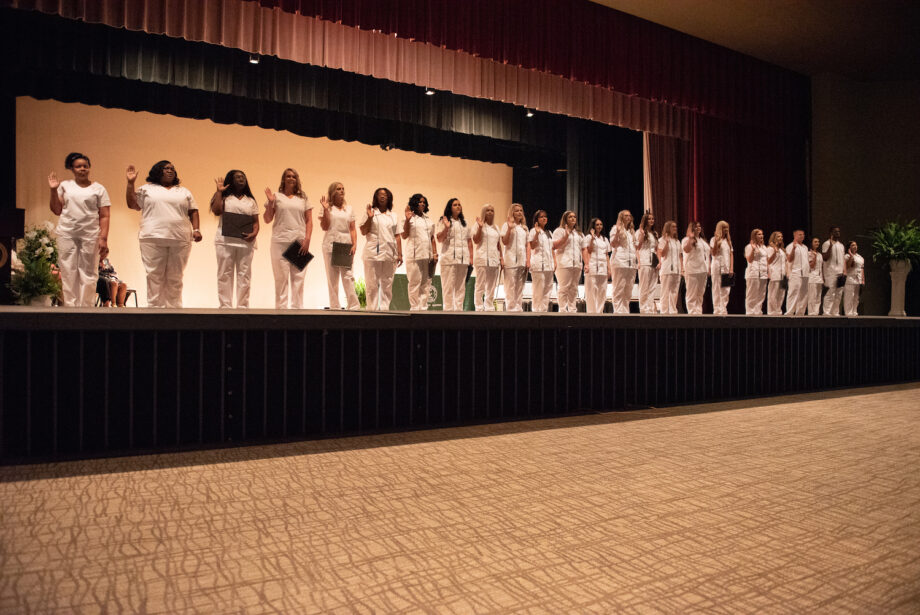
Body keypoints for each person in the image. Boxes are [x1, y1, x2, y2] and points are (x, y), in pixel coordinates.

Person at [126, 160, 202, 308]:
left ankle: (174, 309)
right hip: (152, 237)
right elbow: (132, 204)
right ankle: (155, 309)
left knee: (176, 276)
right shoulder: (146, 189)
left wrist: (196, 229)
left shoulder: (183, 191)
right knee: (154, 275)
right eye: (166, 168)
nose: (170, 171)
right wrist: (130, 184)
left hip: (180, 238)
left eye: (172, 168)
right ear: (157, 171)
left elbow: (193, 211)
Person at [48, 152, 111, 307]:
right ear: (72, 169)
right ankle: (71, 306)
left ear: (89, 168)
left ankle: (86, 307)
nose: (82, 169)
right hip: (67, 233)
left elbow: (104, 215)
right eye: (78, 166)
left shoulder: (99, 188)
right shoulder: (65, 186)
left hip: (90, 234)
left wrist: (103, 238)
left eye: (85, 166)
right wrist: (53, 190)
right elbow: (57, 210)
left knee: (89, 272)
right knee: (68, 271)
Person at [264, 168, 313, 309]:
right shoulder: (276, 196)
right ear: (283, 179)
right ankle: (281, 312)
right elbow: (267, 219)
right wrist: (271, 203)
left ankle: (297, 311)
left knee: (299, 279)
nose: (291, 178)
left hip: (298, 242)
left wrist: (307, 239)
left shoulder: (303, 198)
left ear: (297, 180)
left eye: (293, 176)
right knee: (281, 279)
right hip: (279, 241)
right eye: (288, 176)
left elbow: (309, 220)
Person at [210, 169, 259, 308]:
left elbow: (256, 222)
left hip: (245, 242)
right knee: (225, 274)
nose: (241, 179)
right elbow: (216, 211)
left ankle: (243, 307)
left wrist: (254, 233)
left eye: (243, 176)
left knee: (245, 275)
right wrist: (219, 192)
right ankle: (225, 307)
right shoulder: (224, 197)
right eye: (237, 177)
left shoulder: (250, 200)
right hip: (225, 241)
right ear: (230, 180)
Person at [319, 181, 360, 310]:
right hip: (331, 245)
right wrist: (325, 210)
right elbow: (324, 226)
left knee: (348, 276)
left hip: (345, 246)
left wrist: (354, 244)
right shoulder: (327, 208)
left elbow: (352, 228)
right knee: (332, 279)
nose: (342, 191)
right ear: (332, 192)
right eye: (338, 189)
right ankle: (335, 307)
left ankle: (354, 306)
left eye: (343, 188)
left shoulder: (349, 209)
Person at [359, 187, 400, 311]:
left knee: (387, 284)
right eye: (380, 195)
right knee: (372, 284)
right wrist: (370, 217)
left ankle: (384, 310)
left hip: (389, 254)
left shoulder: (393, 215)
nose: (382, 196)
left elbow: (397, 235)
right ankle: (371, 310)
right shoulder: (370, 212)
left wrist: (400, 254)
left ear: (389, 198)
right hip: (373, 254)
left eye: (385, 195)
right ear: (376, 198)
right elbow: (363, 231)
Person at [401, 193, 437, 311]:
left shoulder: (428, 220)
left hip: (427, 256)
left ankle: (423, 308)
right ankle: (415, 307)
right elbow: (404, 235)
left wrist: (435, 253)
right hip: (414, 256)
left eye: (423, 202)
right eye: (419, 201)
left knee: (426, 284)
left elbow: (432, 238)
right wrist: (407, 220)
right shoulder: (410, 218)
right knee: (414, 283)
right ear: (414, 203)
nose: (422, 204)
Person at [436, 198, 473, 311]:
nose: (458, 206)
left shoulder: (464, 223)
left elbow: (469, 241)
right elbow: (439, 238)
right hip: (448, 260)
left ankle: (459, 311)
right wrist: (446, 228)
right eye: (455, 205)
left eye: (459, 205)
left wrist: (471, 258)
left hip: (462, 260)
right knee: (448, 288)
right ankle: (448, 311)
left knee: (460, 288)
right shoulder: (444, 220)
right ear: (450, 207)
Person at [471, 204, 502, 311]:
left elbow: (499, 244)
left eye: (492, 210)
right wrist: (480, 227)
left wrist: (501, 258)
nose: (490, 212)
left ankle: (489, 306)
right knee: (480, 285)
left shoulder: (496, 228)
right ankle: (479, 307)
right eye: (487, 210)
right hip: (481, 258)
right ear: (484, 212)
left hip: (494, 259)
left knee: (491, 285)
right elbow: (476, 240)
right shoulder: (478, 225)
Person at [553, 210, 582, 313]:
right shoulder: (559, 231)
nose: (573, 219)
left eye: (574, 217)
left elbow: (582, 249)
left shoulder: (578, 233)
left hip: (576, 264)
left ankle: (572, 309)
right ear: (565, 219)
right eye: (570, 217)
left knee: (574, 288)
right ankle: (562, 309)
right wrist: (565, 235)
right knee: (564, 288)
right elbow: (555, 246)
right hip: (564, 263)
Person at [500, 203, 528, 312]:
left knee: (520, 287)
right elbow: (505, 242)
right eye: (517, 211)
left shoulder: (524, 228)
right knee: (510, 287)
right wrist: (509, 229)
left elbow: (526, 245)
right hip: (510, 260)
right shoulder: (506, 225)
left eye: (521, 210)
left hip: (522, 261)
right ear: (512, 213)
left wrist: (527, 260)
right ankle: (511, 309)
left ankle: (518, 308)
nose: (520, 212)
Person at [609, 210, 637, 314]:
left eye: (629, 215)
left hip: (631, 263)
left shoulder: (631, 231)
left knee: (628, 289)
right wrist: (617, 232)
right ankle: (618, 313)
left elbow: (635, 247)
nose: (628, 217)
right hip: (620, 261)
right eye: (626, 216)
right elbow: (613, 244)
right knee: (618, 289)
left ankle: (625, 312)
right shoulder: (615, 228)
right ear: (621, 217)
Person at [582, 218, 611, 314]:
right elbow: (588, 250)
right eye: (597, 225)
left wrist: (609, 268)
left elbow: (606, 254)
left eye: (601, 224)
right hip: (592, 266)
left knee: (602, 291)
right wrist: (592, 239)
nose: (599, 226)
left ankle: (599, 313)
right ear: (593, 226)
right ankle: (591, 313)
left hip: (603, 268)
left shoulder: (604, 239)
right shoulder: (588, 237)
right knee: (591, 291)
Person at [527, 209, 554, 313]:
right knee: (538, 290)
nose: (544, 218)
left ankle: (544, 311)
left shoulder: (549, 232)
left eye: (545, 216)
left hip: (549, 265)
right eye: (541, 217)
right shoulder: (533, 231)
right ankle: (536, 311)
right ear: (537, 219)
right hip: (538, 265)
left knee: (548, 289)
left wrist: (554, 262)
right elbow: (532, 246)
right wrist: (537, 234)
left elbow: (552, 249)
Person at [681, 221, 710, 314]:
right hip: (692, 270)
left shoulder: (703, 240)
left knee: (700, 294)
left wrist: (708, 268)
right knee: (691, 294)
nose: (698, 228)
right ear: (692, 229)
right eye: (696, 226)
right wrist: (690, 238)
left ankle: (698, 312)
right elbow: (686, 250)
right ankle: (692, 313)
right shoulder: (686, 239)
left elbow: (707, 255)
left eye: (699, 226)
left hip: (703, 270)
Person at [635, 212, 658, 314]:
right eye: (649, 219)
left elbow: (657, 249)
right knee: (644, 286)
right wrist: (639, 262)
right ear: (645, 221)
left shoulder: (655, 234)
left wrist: (659, 262)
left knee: (652, 286)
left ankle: (650, 308)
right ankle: (644, 308)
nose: (651, 221)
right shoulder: (639, 232)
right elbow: (637, 248)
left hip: (653, 261)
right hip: (644, 261)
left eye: (653, 219)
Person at [709, 220, 734, 315]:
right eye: (724, 228)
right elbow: (713, 253)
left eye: (727, 228)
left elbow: (731, 254)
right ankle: (717, 309)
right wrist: (716, 242)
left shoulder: (728, 241)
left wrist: (731, 268)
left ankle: (723, 308)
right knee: (716, 288)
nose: (726, 230)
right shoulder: (713, 239)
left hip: (727, 267)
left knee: (726, 289)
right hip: (717, 267)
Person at [657, 221, 681, 314]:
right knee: (665, 291)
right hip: (667, 269)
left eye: (675, 227)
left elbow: (679, 256)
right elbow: (662, 254)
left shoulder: (677, 241)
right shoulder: (662, 240)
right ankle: (664, 311)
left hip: (676, 269)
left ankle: (673, 311)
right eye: (673, 227)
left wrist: (681, 269)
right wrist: (666, 242)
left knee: (674, 292)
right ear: (668, 228)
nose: (675, 229)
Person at [821, 226, 845, 316]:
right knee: (830, 293)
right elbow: (825, 258)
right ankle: (826, 312)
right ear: (831, 233)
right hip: (830, 272)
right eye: (836, 231)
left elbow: (842, 259)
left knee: (839, 294)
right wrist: (830, 246)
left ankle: (835, 312)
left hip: (840, 272)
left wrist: (843, 271)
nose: (838, 233)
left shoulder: (841, 245)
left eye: (839, 231)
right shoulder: (826, 244)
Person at [784, 229, 809, 316]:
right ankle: (790, 312)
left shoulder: (805, 247)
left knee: (804, 294)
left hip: (805, 273)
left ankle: (800, 313)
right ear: (794, 236)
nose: (802, 236)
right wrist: (794, 249)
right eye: (800, 235)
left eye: (803, 234)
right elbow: (789, 259)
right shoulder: (790, 246)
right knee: (793, 293)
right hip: (795, 273)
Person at [744, 229, 768, 314]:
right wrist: (753, 249)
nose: (761, 236)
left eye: (762, 234)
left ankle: (758, 311)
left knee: (761, 295)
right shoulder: (749, 247)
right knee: (752, 294)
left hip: (763, 273)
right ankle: (750, 312)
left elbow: (766, 260)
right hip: (753, 273)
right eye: (759, 234)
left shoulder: (764, 247)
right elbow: (749, 260)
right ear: (754, 236)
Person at [765, 231, 786, 315]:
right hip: (775, 274)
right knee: (773, 293)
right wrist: (775, 250)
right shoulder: (770, 248)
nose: (780, 238)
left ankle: (778, 310)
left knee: (781, 294)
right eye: (778, 237)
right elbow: (769, 261)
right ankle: (772, 312)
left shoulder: (782, 250)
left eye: (781, 236)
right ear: (774, 238)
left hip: (783, 274)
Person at [843, 240, 865, 316]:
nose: (855, 246)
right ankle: (848, 313)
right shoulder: (847, 256)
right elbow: (848, 266)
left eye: (855, 245)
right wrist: (851, 256)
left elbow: (862, 269)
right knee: (849, 296)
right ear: (849, 247)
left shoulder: (860, 257)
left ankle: (854, 312)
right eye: (852, 245)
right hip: (850, 278)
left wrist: (863, 280)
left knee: (856, 297)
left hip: (858, 279)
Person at [807, 237, 824, 315]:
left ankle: (816, 312)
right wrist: (814, 257)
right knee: (812, 296)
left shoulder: (820, 254)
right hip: (812, 277)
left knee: (818, 297)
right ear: (811, 243)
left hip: (819, 278)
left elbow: (821, 267)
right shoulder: (809, 253)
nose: (817, 243)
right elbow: (811, 266)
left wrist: (823, 278)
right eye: (815, 242)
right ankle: (811, 312)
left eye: (818, 242)